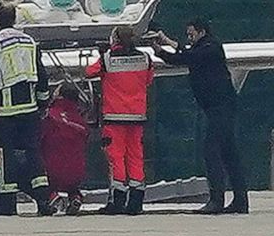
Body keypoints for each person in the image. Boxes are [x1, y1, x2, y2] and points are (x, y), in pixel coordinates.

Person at [152, 19, 248, 214]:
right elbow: (180, 58)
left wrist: (168, 43)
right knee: (229, 153)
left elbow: (188, 56)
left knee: (211, 151)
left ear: (202, 32)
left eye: (191, 33)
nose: (190, 37)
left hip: (221, 107)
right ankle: (240, 200)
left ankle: (216, 200)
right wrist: (159, 51)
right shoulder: (202, 49)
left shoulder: (210, 47)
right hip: (217, 107)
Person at [0, 2, 54, 216]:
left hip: (6, 111)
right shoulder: (30, 42)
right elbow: (42, 75)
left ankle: (6, 204)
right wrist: (43, 103)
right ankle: (43, 200)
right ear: (15, 19)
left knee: (5, 155)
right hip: (30, 110)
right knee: (33, 152)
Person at [86, 26, 153, 214]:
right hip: (137, 117)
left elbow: (89, 72)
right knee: (136, 157)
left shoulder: (108, 59)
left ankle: (117, 200)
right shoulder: (145, 58)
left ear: (114, 39)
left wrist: (104, 54)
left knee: (116, 158)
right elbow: (148, 80)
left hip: (114, 117)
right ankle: (136, 201)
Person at [41, 84, 89, 215]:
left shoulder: (50, 115)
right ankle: (75, 197)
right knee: (72, 185)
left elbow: (38, 138)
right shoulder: (80, 120)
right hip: (77, 171)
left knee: (36, 175)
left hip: (52, 170)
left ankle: (52, 197)